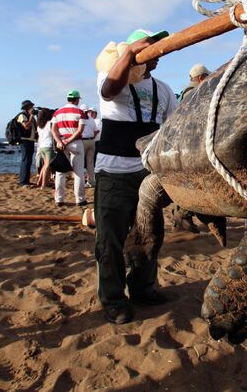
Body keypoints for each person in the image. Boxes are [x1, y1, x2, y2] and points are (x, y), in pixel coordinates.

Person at [95, 28, 178, 325]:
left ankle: (143, 288)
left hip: (147, 173)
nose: (156, 55)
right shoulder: (111, 76)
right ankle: (114, 298)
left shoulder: (165, 90)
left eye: (158, 50)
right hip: (113, 172)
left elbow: (172, 128)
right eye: (149, 49)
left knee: (148, 234)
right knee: (110, 240)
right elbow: (108, 91)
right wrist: (130, 55)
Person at [51, 90, 86, 207]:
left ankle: (59, 199)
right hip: (75, 142)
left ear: (67, 99)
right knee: (78, 172)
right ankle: (80, 199)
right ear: (76, 99)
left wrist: (59, 141)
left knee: (60, 172)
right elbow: (79, 131)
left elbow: (53, 130)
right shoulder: (80, 112)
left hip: (61, 143)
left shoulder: (57, 112)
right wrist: (68, 140)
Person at [17, 100, 37, 186]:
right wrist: (32, 116)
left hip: (30, 140)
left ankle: (26, 181)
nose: (32, 108)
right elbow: (26, 126)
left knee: (28, 161)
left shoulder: (29, 116)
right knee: (25, 160)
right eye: (31, 107)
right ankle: (23, 181)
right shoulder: (22, 115)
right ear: (27, 107)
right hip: (24, 140)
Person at [34, 108, 55, 188]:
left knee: (45, 165)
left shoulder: (39, 125)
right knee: (48, 166)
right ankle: (43, 185)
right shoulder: (50, 123)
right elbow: (54, 132)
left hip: (41, 146)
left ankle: (39, 182)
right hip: (48, 146)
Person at [81, 106, 101, 188]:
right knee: (90, 163)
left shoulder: (82, 118)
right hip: (92, 141)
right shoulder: (92, 120)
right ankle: (91, 181)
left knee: (82, 162)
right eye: (90, 112)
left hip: (86, 141)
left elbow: (96, 131)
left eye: (93, 112)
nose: (91, 113)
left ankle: (83, 181)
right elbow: (96, 131)